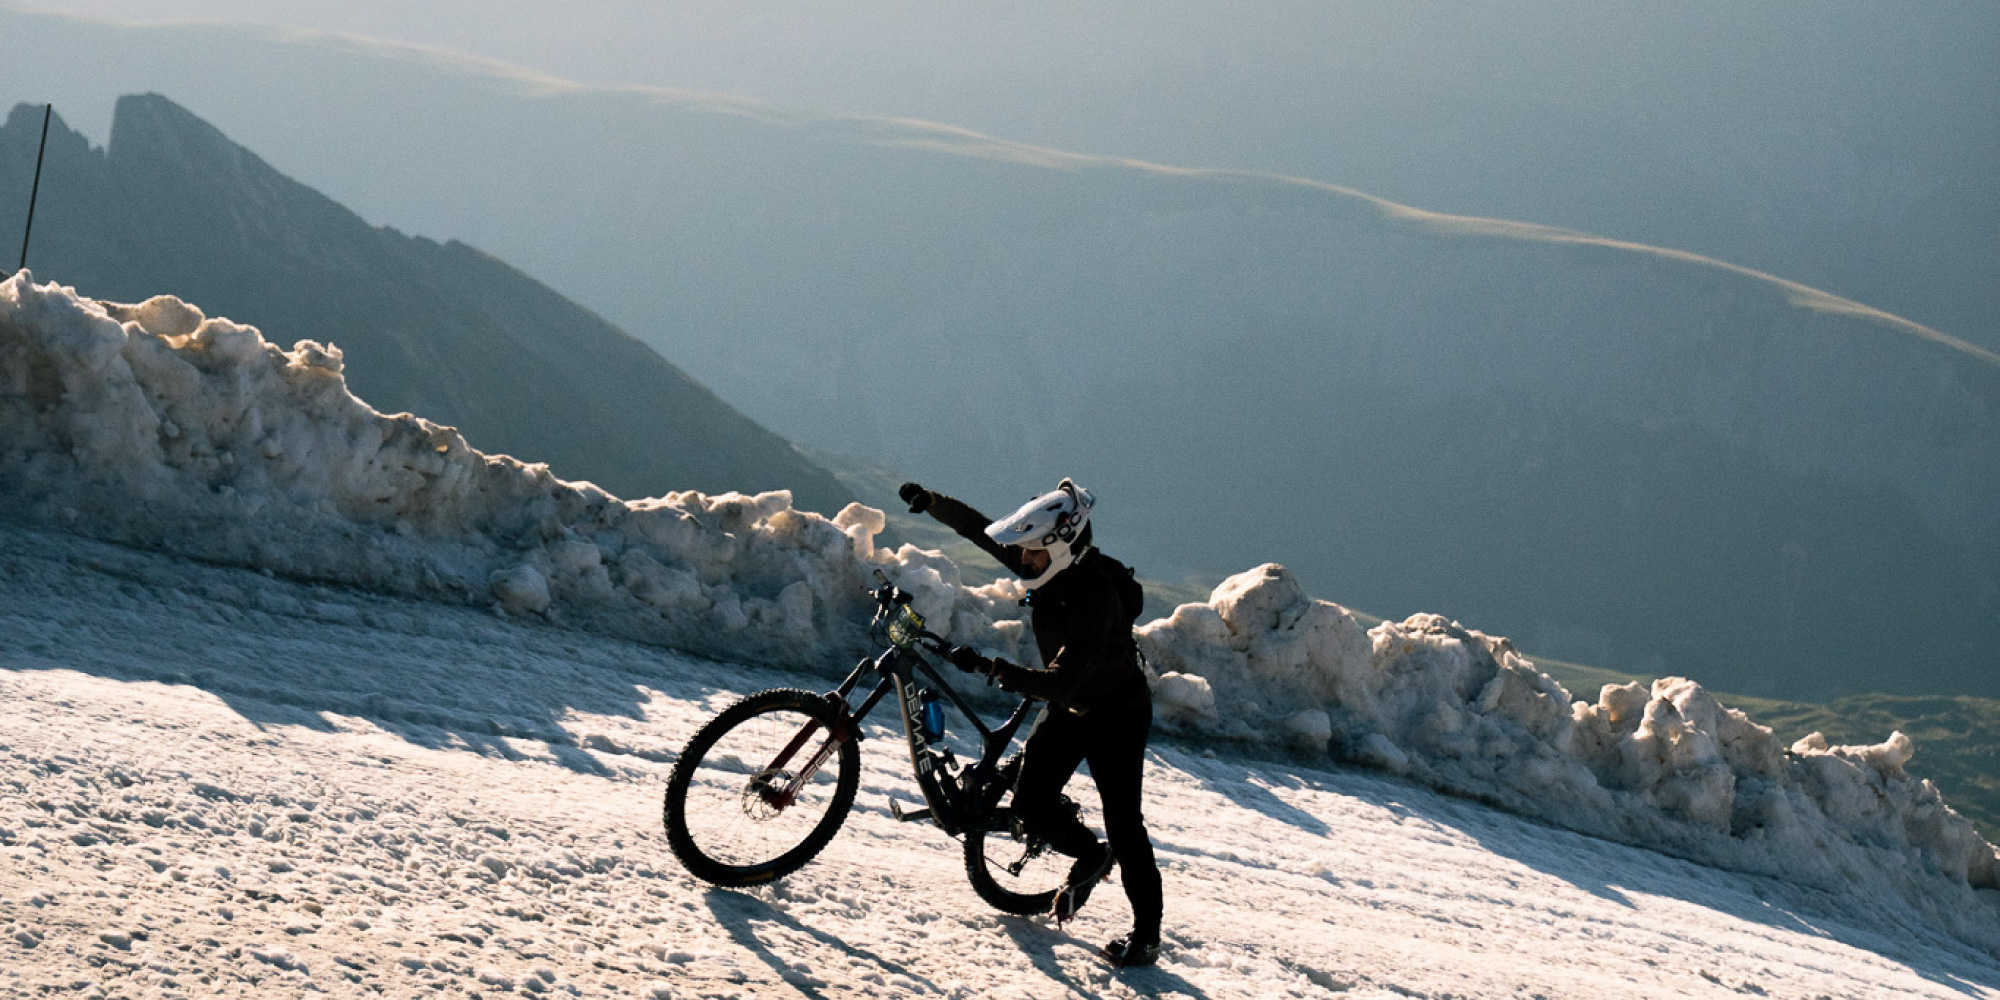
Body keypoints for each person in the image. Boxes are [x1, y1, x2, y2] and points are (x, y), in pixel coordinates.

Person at [898, 478, 1163, 967]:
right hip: (1072, 708)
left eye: (1031, 556)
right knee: (1030, 805)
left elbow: (1060, 684)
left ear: (1060, 550)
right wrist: (934, 502)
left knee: (1125, 824)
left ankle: (1146, 937)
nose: (1022, 563)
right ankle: (1089, 856)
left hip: (1117, 716)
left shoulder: (1097, 599)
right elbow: (982, 531)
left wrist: (995, 669)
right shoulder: (1044, 566)